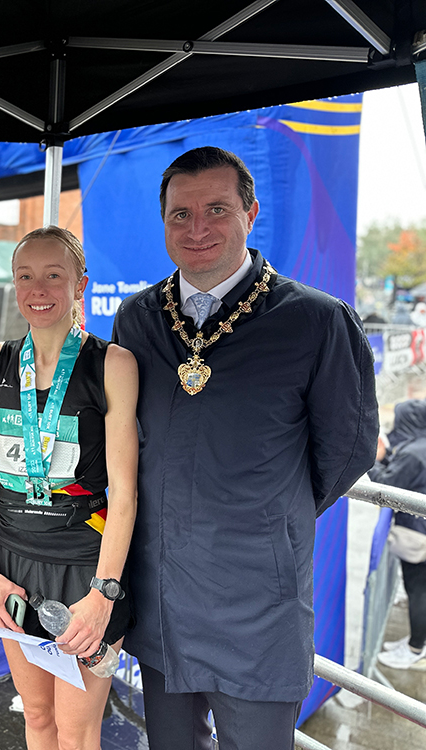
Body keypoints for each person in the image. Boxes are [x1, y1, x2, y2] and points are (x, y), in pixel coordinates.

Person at [112, 146, 378, 749]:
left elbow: (348, 450)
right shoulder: (137, 320)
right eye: (180, 214)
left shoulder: (315, 322)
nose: (197, 229)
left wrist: (264, 515)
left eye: (217, 209)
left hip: (258, 606)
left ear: (250, 212)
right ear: (163, 222)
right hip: (161, 604)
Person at [0, 226, 138, 749]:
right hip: (13, 565)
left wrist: (103, 594)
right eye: (26, 276)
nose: (37, 289)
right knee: (38, 716)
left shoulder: (112, 364)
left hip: (84, 569)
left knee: (76, 728)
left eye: (53, 275)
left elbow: (126, 494)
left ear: (79, 284)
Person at [369, 399, 426, 670]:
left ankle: (416, 647)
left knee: (418, 590)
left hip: (418, 533)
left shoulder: (413, 454)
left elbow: (387, 487)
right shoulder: (420, 447)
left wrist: (373, 460)